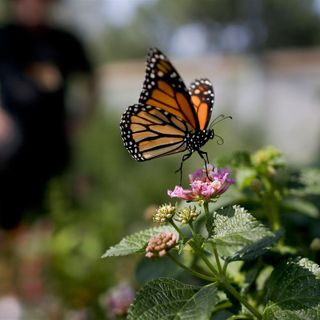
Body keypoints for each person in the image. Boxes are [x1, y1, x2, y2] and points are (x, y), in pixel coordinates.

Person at [0, 0, 95, 229]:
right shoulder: (5, 37)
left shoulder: (64, 40)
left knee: (55, 213)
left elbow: (92, 81)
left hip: (54, 142)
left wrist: (79, 119)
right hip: (12, 144)